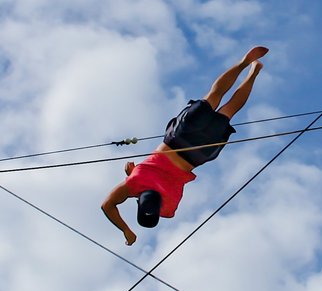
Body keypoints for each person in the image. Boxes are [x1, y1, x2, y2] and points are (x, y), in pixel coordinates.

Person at [101, 47, 268, 245]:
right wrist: (131, 176)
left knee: (228, 110)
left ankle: (254, 73)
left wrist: (129, 230)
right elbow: (107, 205)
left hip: (199, 153)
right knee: (214, 95)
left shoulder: (168, 207)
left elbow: (156, 191)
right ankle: (243, 64)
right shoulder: (134, 183)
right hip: (176, 140)